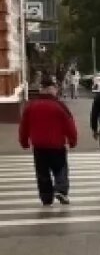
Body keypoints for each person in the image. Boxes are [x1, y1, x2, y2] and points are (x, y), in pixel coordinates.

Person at [18, 75, 78, 206]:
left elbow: (24, 126)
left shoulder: (30, 106)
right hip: (57, 145)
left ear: (41, 90)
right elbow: (70, 124)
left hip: (39, 146)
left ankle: (46, 198)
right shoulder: (59, 106)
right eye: (55, 88)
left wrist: (23, 141)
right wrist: (73, 140)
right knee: (60, 169)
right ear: (52, 89)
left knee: (42, 172)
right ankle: (61, 190)